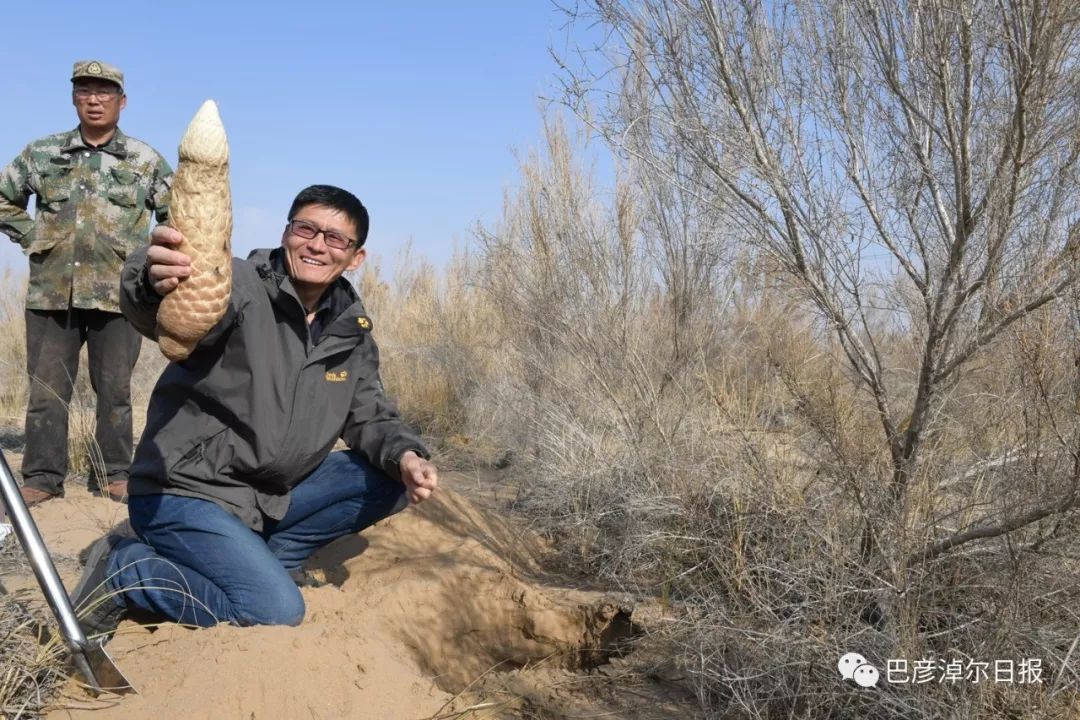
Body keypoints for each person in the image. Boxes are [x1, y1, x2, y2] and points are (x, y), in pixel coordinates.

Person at [71, 184, 438, 640]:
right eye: (307, 228)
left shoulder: (351, 331)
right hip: (186, 491)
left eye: (335, 238)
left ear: (355, 257)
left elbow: (370, 414)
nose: (318, 244)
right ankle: (127, 569)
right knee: (276, 611)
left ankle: (272, 557)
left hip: (264, 498)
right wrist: (150, 279)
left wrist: (406, 455)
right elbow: (168, 303)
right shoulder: (238, 284)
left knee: (389, 476)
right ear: (287, 232)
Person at [0, 60, 173, 506]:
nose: (94, 100)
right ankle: (41, 477)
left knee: (114, 392)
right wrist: (34, 235)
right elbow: (4, 199)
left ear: (122, 101)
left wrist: (153, 265)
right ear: (74, 98)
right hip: (52, 293)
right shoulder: (43, 153)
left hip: (120, 296)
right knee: (46, 391)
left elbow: (177, 216)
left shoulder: (144, 159)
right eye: (84, 91)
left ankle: (115, 474)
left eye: (104, 92)